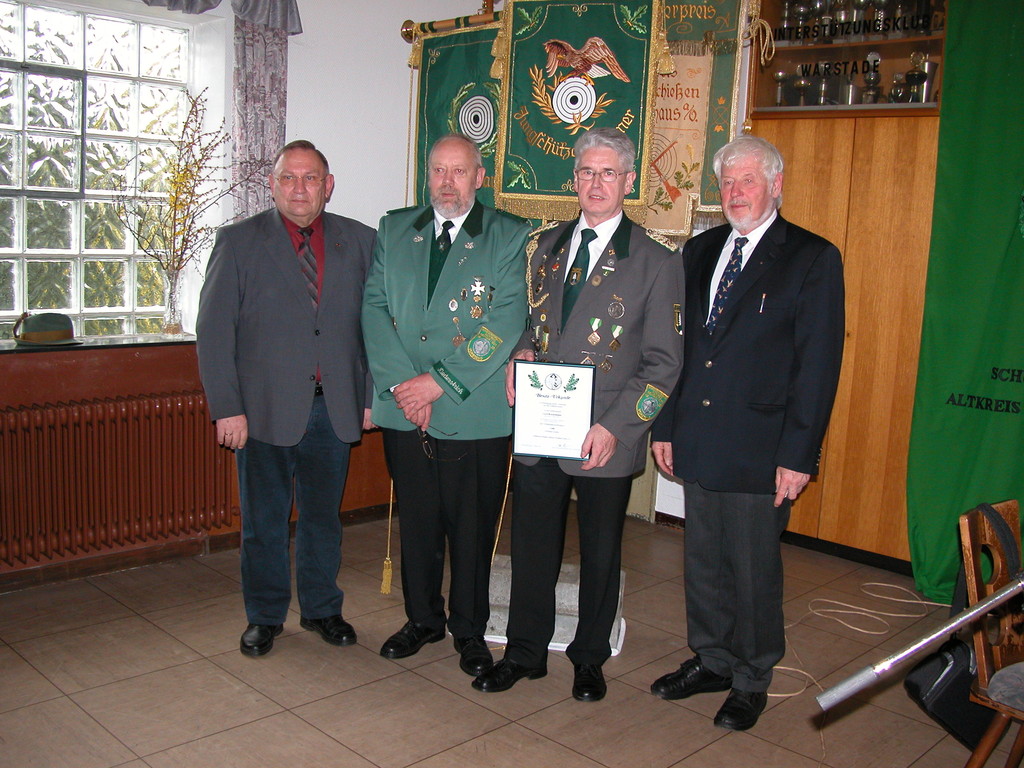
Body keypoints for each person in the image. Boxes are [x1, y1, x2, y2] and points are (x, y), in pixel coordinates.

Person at [472, 127, 685, 702]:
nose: (596, 183)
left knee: (599, 550)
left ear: (628, 181)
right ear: (574, 179)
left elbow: (664, 366)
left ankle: (589, 658)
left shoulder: (656, 261)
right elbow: (531, 325)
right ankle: (524, 652)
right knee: (531, 542)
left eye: (608, 173)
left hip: (603, 435)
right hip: (543, 426)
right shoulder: (546, 247)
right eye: (586, 172)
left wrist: (616, 428)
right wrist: (519, 354)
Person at [649, 134, 845, 731]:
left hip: (764, 447)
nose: (735, 193)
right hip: (699, 437)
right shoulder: (701, 250)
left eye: (747, 181)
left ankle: (752, 676)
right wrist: (666, 424)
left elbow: (818, 367)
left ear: (776, 185)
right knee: (703, 559)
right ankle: (711, 658)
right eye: (727, 182)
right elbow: (678, 348)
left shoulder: (812, 258)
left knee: (753, 566)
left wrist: (799, 454)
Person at [196, 139, 376, 657]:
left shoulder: (360, 241)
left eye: (311, 178)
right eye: (288, 178)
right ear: (272, 185)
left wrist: (368, 396)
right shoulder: (237, 242)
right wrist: (226, 407)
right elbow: (214, 332)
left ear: (329, 185)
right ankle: (266, 616)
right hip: (262, 411)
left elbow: (373, 329)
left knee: (324, 520)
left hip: (334, 407)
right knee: (264, 523)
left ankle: (323, 609)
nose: (300, 188)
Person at [361, 133, 530, 677]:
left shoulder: (507, 234)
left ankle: (470, 630)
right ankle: (423, 619)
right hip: (404, 407)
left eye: (460, 171)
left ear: (479, 177)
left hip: (471, 410)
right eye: (439, 170)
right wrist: (402, 387)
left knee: (472, 528)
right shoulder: (395, 227)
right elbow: (373, 309)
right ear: (426, 174)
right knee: (418, 522)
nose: (448, 182)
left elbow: (503, 322)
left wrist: (438, 384)